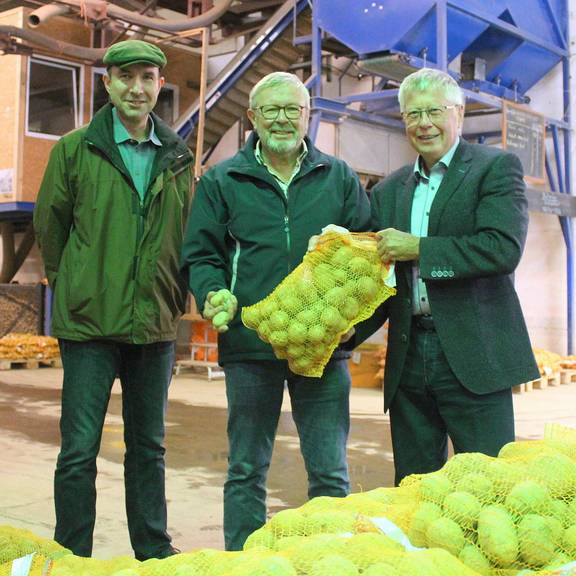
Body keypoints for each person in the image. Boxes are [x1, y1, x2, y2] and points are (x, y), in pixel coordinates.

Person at [180, 71, 371, 551]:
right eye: (271, 109)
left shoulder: (339, 176)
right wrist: (212, 292)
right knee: (246, 467)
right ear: (252, 117)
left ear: (309, 115)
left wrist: (353, 328)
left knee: (329, 470)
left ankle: (329, 557)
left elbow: (368, 257)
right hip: (250, 346)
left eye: (294, 109)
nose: (283, 119)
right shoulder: (224, 179)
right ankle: (243, 558)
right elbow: (202, 255)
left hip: (323, 348)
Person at [33, 39, 193, 559]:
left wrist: (170, 298)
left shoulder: (178, 155)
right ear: (108, 84)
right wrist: (77, 286)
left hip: (154, 327)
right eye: (125, 78)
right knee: (79, 450)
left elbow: (185, 235)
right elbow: (51, 231)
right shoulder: (74, 150)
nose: (136, 88)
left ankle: (152, 550)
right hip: (88, 327)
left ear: (160, 85)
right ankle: (71, 553)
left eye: (147, 78)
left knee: (149, 448)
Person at [364, 67, 539, 485]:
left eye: (434, 111)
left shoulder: (494, 168)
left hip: (473, 354)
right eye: (412, 114)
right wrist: (332, 336)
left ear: (458, 113)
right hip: (408, 356)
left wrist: (420, 249)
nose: (423, 124)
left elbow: (501, 249)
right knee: (415, 488)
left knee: (487, 487)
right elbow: (381, 280)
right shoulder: (388, 191)